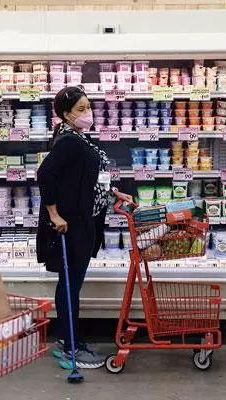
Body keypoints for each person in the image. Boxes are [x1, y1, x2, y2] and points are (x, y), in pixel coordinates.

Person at [37, 86, 133, 369]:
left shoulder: (79, 138)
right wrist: (53, 214)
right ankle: (69, 346)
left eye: (88, 106)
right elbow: (45, 174)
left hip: (83, 222)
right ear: (66, 114)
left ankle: (70, 341)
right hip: (70, 225)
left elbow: (87, 176)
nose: (87, 113)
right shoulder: (68, 141)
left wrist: (113, 192)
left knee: (71, 284)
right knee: (70, 285)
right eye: (81, 109)